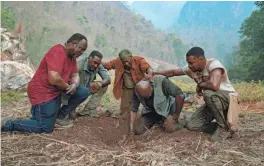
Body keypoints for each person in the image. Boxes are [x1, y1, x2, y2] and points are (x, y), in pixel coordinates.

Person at [1, 33, 88, 133]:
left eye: (83, 51)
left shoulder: (72, 58)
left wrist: (74, 84)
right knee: (45, 127)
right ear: (73, 43)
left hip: (56, 91)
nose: (81, 52)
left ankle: (59, 116)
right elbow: (54, 79)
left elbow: (75, 75)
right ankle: (7, 124)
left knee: (83, 92)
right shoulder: (58, 51)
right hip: (42, 92)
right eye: (81, 49)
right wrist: (68, 87)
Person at [154, 47, 239, 140]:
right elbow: (173, 72)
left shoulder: (214, 65)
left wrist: (200, 85)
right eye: (188, 63)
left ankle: (223, 128)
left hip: (228, 99)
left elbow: (214, 85)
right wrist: (154, 73)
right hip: (213, 102)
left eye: (191, 63)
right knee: (192, 126)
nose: (189, 66)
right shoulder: (192, 70)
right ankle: (227, 127)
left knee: (208, 94)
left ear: (201, 59)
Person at [103, 49, 153, 117]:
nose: (126, 63)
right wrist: (99, 62)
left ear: (131, 57)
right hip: (127, 88)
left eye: (127, 61)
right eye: (124, 62)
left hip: (140, 87)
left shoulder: (139, 60)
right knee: (124, 110)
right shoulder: (118, 61)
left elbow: (147, 67)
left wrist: (150, 73)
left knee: (147, 105)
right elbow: (108, 65)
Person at [69, 50, 111, 118]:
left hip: (87, 88)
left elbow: (108, 79)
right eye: (94, 62)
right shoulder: (79, 66)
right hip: (76, 91)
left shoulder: (98, 65)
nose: (95, 65)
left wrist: (99, 84)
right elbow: (69, 84)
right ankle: (71, 107)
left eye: (97, 64)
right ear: (89, 58)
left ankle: (88, 111)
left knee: (104, 85)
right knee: (72, 116)